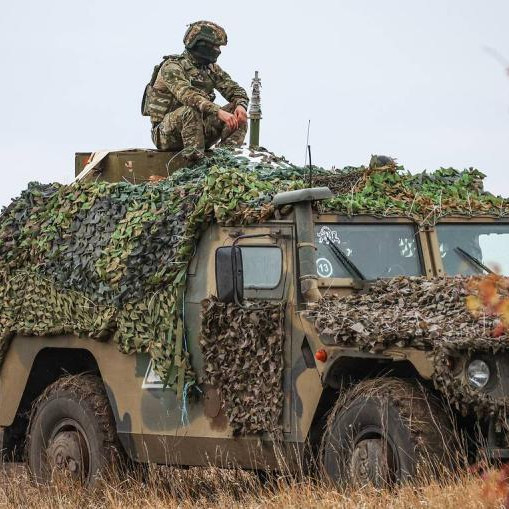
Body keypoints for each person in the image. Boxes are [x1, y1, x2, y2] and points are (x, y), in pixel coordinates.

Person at [145, 20, 249, 160]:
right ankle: (195, 162)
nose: (218, 50)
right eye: (215, 46)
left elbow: (234, 89)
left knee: (237, 112)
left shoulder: (209, 68)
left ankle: (225, 159)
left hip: (200, 130)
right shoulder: (172, 67)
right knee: (191, 110)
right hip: (167, 135)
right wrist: (217, 111)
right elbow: (188, 95)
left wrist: (241, 105)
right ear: (199, 44)